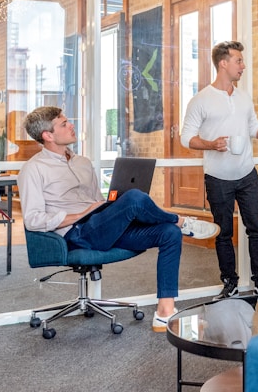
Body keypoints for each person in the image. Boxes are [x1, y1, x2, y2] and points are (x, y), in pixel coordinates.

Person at [19, 106, 220, 332]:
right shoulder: (33, 169)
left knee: (168, 233)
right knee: (135, 198)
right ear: (48, 135)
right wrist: (80, 214)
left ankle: (164, 312)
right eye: (64, 124)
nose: (71, 125)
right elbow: (33, 220)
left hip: (101, 226)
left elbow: (96, 201)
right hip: (78, 233)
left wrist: (106, 207)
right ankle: (181, 221)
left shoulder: (82, 162)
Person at [180, 40, 258, 299]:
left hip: (247, 175)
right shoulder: (201, 100)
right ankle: (229, 282)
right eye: (238, 61)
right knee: (223, 231)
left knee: (256, 228)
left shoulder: (243, 98)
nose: (243, 66)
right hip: (218, 178)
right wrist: (211, 143)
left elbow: (255, 129)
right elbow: (186, 138)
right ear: (224, 63)